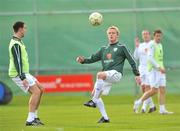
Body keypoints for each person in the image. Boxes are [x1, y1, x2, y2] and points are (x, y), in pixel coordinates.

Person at [76, 26, 140, 123]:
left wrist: (137, 74)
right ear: (107, 35)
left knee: (99, 75)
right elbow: (92, 58)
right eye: (109, 33)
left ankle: (93, 101)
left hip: (116, 73)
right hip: (107, 76)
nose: (111, 35)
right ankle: (105, 118)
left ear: (117, 35)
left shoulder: (122, 47)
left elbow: (132, 61)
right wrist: (83, 60)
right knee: (95, 93)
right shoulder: (103, 49)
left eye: (113, 33)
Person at [8, 21, 44, 126]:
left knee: (41, 89)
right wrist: (22, 77)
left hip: (24, 72)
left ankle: (35, 117)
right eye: (25, 28)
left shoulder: (18, 41)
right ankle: (30, 119)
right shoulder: (15, 44)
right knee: (36, 92)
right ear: (20, 29)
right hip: (18, 73)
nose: (25, 30)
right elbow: (17, 61)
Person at [133, 29, 173, 114]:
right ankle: (138, 103)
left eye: (160, 36)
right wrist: (158, 67)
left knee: (162, 89)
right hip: (153, 71)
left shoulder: (160, 45)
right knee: (154, 90)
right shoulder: (151, 44)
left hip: (160, 71)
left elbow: (159, 59)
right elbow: (150, 58)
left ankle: (162, 109)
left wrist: (162, 67)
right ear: (154, 36)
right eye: (157, 36)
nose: (158, 37)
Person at [133, 30, 156, 113]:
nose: (145, 35)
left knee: (148, 88)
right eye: (143, 34)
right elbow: (135, 57)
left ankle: (144, 107)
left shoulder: (153, 44)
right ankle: (152, 106)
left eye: (146, 34)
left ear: (150, 35)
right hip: (142, 69)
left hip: (150, 69)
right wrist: (136, 47)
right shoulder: (141, 45)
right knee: (143, 88)